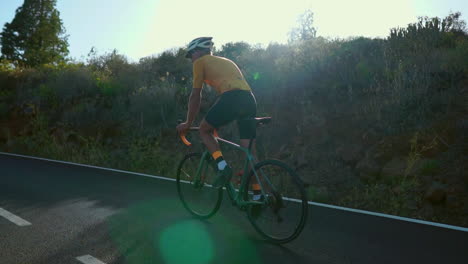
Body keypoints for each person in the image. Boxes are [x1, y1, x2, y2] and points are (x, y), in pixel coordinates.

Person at [176, 37, 259, 194]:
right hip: (249, 99)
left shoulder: (199, 62)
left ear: (198, 51)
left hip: (232, 98)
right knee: (249, 152)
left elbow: (195, 96)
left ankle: (223, 168)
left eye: (191, 55)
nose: (191, 59)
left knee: (203, 130)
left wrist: (187, 123)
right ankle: (258, 195)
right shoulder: (226, 61)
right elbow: (230, 92)